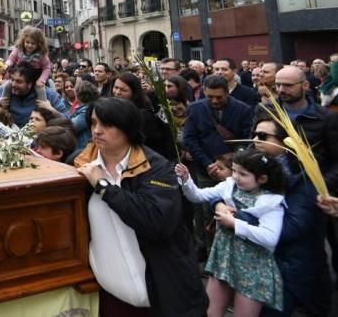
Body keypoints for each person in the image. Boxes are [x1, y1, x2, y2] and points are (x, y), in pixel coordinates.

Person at [74, 97, 206, 316]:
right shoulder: (79, 166)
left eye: (107, 124)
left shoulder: (156, 167)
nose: (97, 130)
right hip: (110, 296)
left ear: (128, 128)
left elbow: (156, 222)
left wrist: (104, 187)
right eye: (94, 122)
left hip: (166, 295)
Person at [175, 148, 286, 315]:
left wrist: (234, 223)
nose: (235, 176)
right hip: (225, 256)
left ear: (263, 178)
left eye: (243, 174)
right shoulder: (229, 186)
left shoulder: (271, 201)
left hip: (253, 265)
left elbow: (270, 238)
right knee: (209, 312)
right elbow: (197, 196)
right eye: (234, 170)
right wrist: (186, 180)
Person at [252, 117, 331, 316]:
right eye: (254, 134)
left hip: (292, 265)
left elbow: (295, 226)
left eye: (262, 136)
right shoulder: (257, 170)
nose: (255, 139)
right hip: (269, 263)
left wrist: (244, 224)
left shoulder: (302, 177)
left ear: (284, 141)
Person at [112, 72, 176, 161]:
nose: (117, 92)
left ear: (133, 93)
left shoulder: (143, 115)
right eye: (116, 88)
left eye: (123, 90)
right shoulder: (115, 109)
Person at [0, 64, 68, 127]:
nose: (13, 84)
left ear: (30, 84)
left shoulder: (49, 94)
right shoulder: (2, 91)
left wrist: (51, 110)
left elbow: (67, 120)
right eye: (12, 79)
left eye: (19, 81)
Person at [5, 26, 51, 101]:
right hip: (20, 75)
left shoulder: (41, 55)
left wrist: (41, 80)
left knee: (40, 89)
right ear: (23, 41)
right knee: (7, 85)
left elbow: (46, 68)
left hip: (36, 77)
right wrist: (7, 65)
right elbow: (11, 59)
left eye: (33, 43)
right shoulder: (18, 50)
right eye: (27, 42)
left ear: (39, 44)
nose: (29, 45)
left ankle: (42, 105)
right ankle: (4, 102)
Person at [70, 81, 101, 155]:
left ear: (78, 95)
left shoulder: (86, 111)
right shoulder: (83, 108)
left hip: (82, 150)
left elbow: (69, 127)